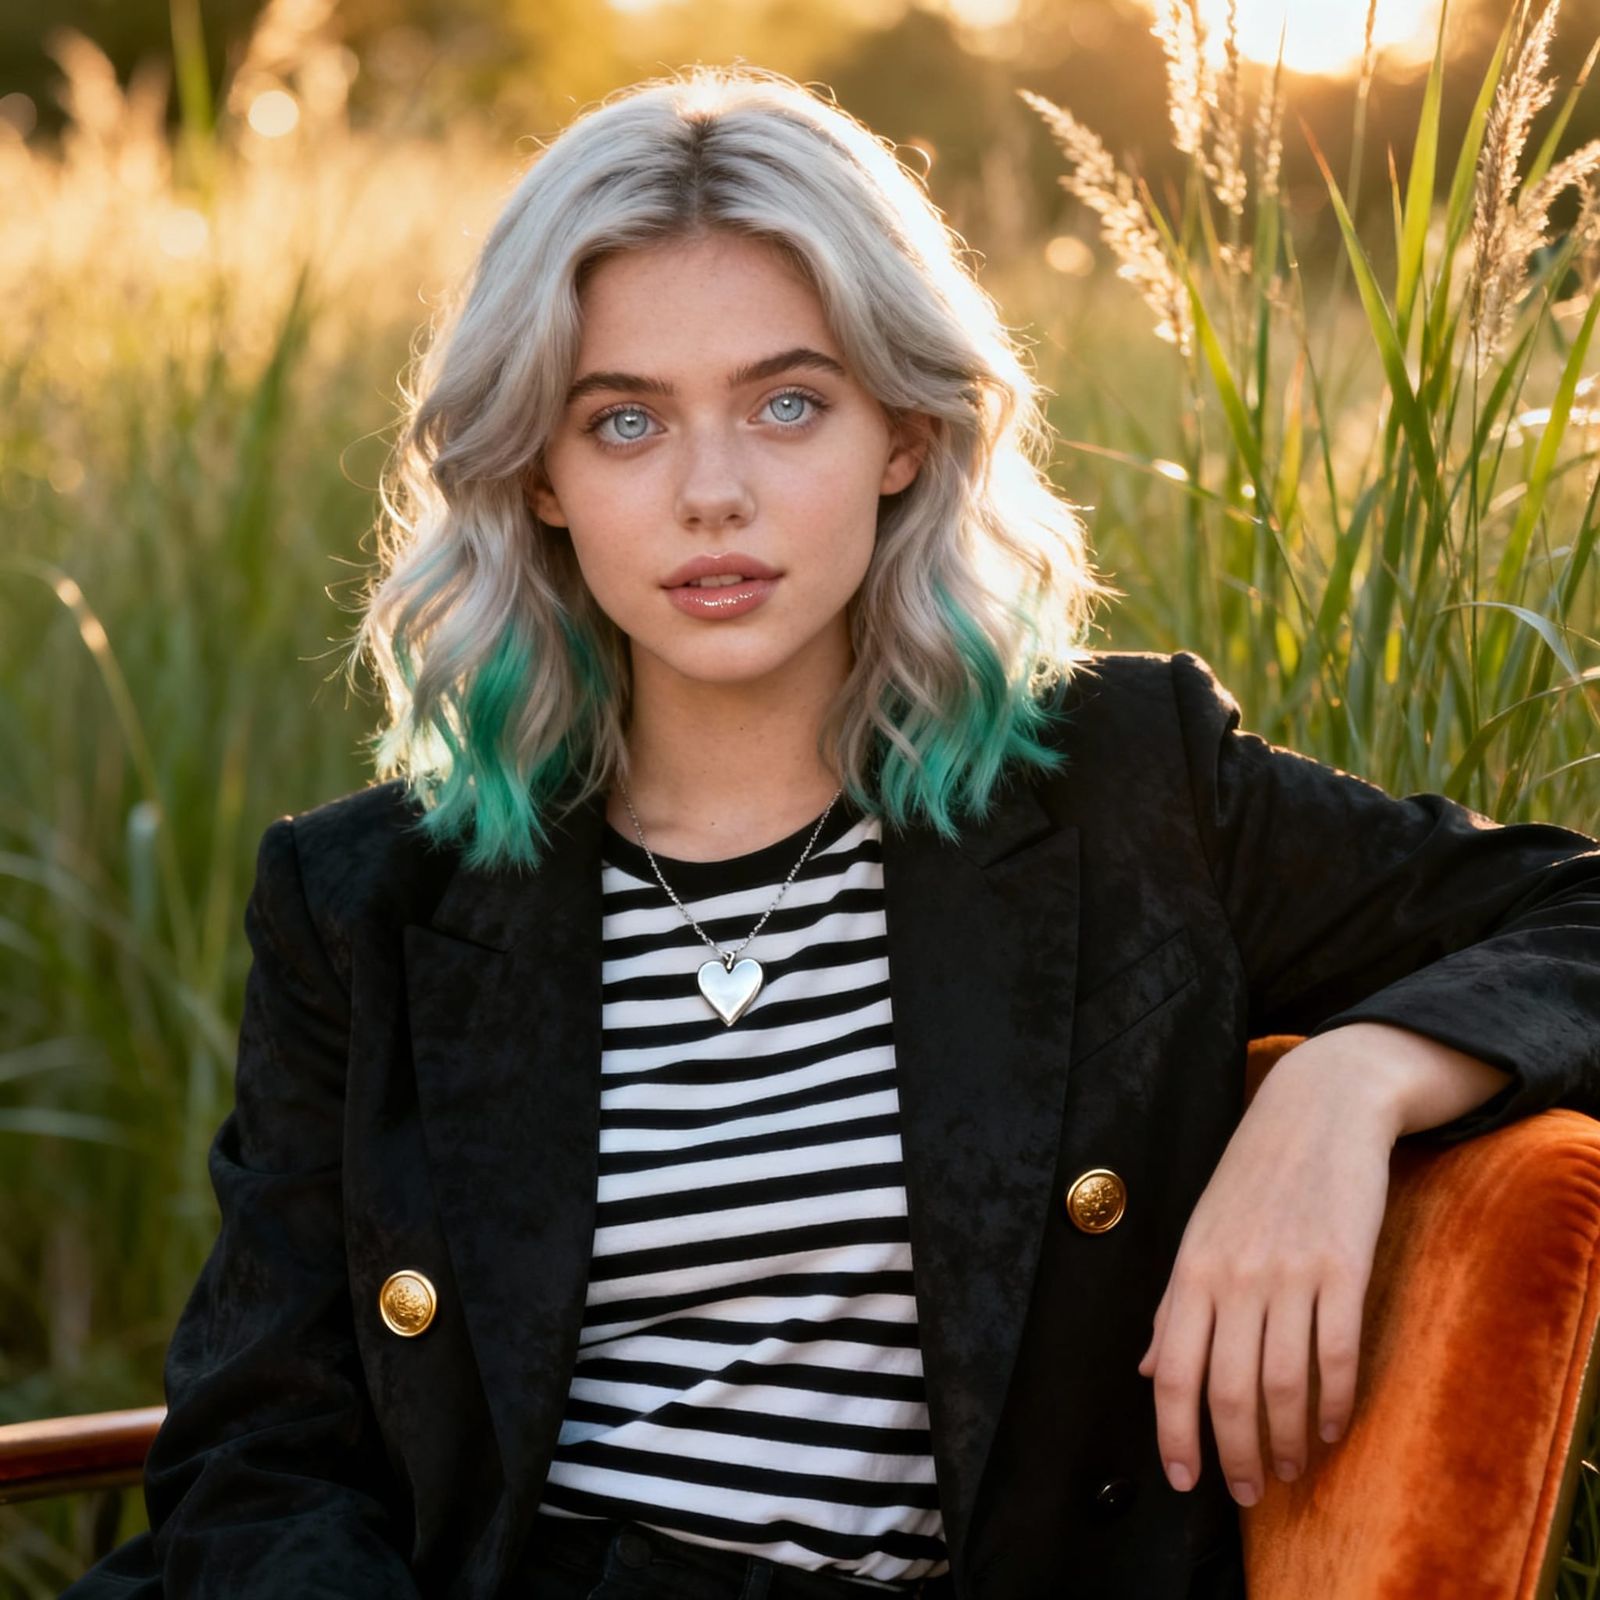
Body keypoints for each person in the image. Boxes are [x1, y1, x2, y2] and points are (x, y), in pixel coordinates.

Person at [62, 63, 1600, 1600]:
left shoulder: (1127, 796)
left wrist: (1352, 1081)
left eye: (787, 402)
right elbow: (263, 1443)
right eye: (625, 422)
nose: (712, 494)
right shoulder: (368, 899)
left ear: (906, 434)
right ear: (535, 473)